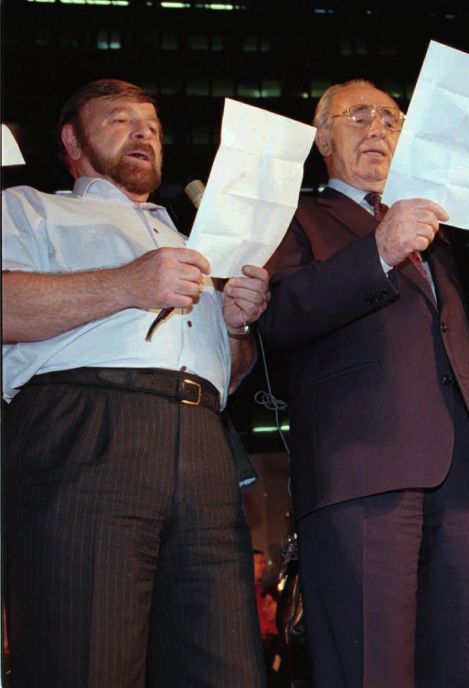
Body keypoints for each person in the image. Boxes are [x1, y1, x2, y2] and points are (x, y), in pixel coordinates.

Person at [2, 79, 269, 687]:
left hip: (204, 440)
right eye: (119, 119)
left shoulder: (196, 241)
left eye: (150, 122)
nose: (143, 131)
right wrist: (127, 284)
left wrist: (235, 326)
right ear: (71, 141)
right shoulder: (30, 207)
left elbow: (231, 369)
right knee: (85, 660)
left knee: (225, 667)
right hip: (86, 429)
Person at [258, 79, 469, 688]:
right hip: (363, 471)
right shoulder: (292, 215)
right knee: (373, 667)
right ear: (322, 137)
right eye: (360, 116)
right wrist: (378, 248)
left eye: (393, 119)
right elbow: (278, 316)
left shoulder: (434, 229)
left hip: (466, 473)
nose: (379, 128)